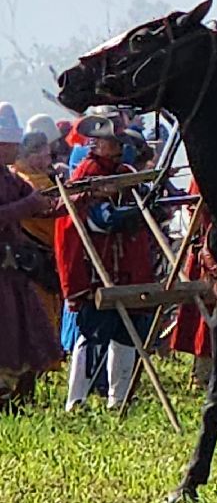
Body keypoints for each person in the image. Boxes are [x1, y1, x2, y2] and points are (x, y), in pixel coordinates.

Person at [54, 114, 156, 410]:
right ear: (96, 144)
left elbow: (151, 209)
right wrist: (134, 210)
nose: (118, 146)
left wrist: (147, 199)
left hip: (127, 270)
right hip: (97, 272)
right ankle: (77, 402)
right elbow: (102, 221)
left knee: (126, 336)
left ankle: (118, 400)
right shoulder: (87, 175)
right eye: (112, 141)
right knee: (93, 336)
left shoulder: (124, 171)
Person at [0, 112, 62, 409]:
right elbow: (21, 208)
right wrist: (29, 204)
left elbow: (43, 207)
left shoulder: (10, 179)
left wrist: (80, 199)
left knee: (28, 334)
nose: (16, 149)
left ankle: (21, 402)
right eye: (10, 144)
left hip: (14, 271)